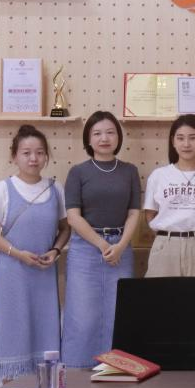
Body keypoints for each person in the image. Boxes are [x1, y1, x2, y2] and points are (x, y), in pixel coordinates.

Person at [0, 126, 71, 380]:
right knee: (13, 329)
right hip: (13, 271)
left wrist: (55, 250)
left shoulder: (55, 188)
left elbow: (65, 228)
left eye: (40, 153)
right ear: (14, 156)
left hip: (44, 272)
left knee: (45, 329)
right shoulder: (2, 188)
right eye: (26, 153)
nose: (33, 158)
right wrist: (18, 254)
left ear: (46, 156)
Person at [62, 111, 142, 368]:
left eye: (110, 132)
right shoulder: (78, 172)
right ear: (88, 139)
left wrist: (120, 246)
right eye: (97, 133)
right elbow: (73, 217)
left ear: (118, 137)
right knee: (82, 314)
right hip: (86, 249)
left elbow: (134, 213)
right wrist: (103, 244)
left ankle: (116, 368)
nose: (104, 138)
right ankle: (77, 370)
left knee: (118, 312)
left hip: (121, 246)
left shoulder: (130, 171)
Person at [141, 114, 195, 277]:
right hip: (165, 247)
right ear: (173, 141)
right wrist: (165, 239)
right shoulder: (159, 175)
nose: (186, 144)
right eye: (180, 138)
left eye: (193, 138)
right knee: (160, 293)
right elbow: (149, 214)